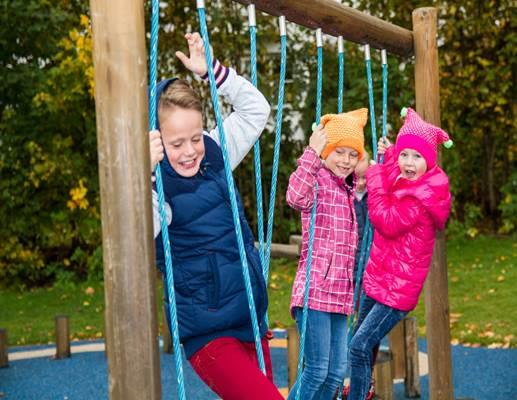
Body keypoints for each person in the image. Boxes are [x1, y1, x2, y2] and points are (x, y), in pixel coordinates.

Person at [149, 32, 283, 400]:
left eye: (194, 137)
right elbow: (139, 228)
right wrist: (142, 171)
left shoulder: (214, 151)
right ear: (157, 141)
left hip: (250, 323)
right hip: (209, 336)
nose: (190, 151)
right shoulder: (157, 188)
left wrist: (215, 74)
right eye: (176, 144)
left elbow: (257, 111)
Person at [347, 107, 452, 400]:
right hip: (379, 277)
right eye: (405, 155)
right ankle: (364, 387)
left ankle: (358, 395)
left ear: (429, 163)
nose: (408, 162)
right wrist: (392, 153)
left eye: (417, 157)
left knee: (358, 345)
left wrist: (375, 177)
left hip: (397, 291)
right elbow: (400, 172)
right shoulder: (409, 179)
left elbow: (387, 221)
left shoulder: (422, 199)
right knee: (361, 339)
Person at [286, 109, 368, 400]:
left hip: (340, 295)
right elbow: (295, 196)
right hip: (315, 291)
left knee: (335, 374)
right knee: (317, 369)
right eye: (339, 152)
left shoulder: (347, 190)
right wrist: (312, 151)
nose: (345, 160)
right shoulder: (317, 180)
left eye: (352, 154)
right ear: (326, 151)